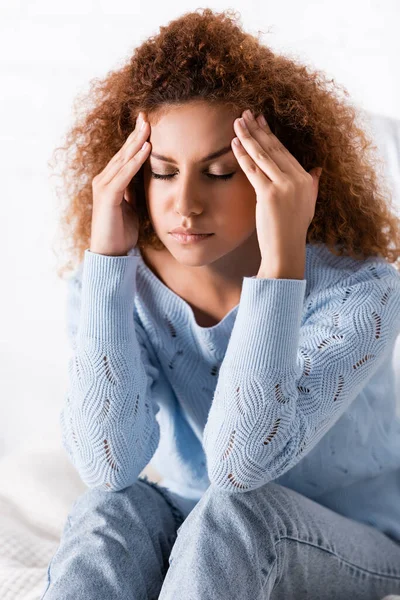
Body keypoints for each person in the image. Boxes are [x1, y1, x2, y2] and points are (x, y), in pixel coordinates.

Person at [41, 7, 400, 599]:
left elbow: (241, 467)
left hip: (353, 541)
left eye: (219, 172)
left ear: (277, 174)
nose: (185, 204)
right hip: (200, 527)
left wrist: (282, 263)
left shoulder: (365, 292)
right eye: (162, 171)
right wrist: (106, 265)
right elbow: (108, 467)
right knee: (109, 511)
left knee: (235, 513)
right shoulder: (112, 288)